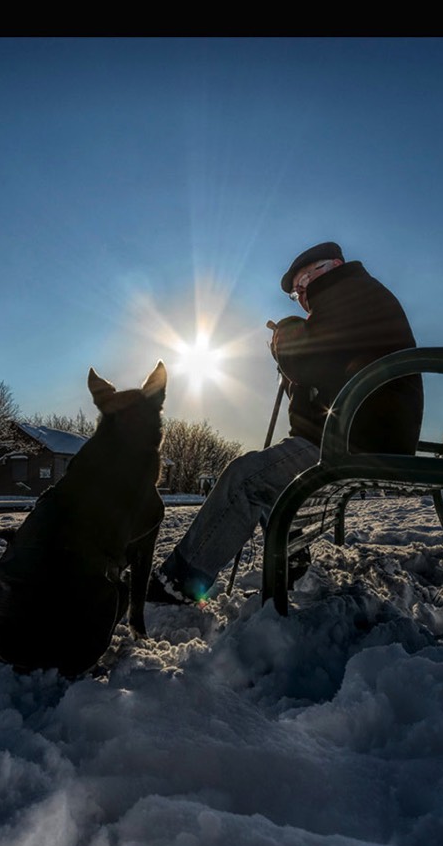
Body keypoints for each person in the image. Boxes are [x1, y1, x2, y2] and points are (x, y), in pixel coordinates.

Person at [147, 241, 423, 604]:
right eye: (297, 290)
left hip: (357, 440)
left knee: (246, 477)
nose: (303, 291)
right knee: (267, 476)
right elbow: (322, 378)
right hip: (363, 433)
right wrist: (292, 356)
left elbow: (310, 362)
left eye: (307, 278)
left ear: (335, 265)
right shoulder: (351, 297)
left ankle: (178, 581)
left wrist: (287, 336)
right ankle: (290, 559)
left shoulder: (347, 291)